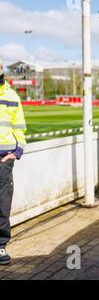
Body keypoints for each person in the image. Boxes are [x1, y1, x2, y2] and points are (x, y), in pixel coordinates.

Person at [0, 60, 27, 265]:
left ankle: (0, 244)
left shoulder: (12, 96)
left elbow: (19, 128)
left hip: (4, 158)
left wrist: (16, 152)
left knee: (2, 202)